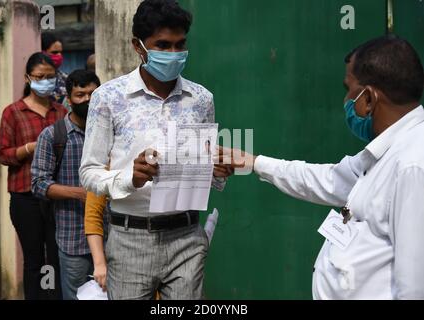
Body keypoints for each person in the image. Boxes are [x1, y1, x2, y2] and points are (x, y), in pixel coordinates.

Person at [218, 35, 424, 299]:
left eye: (348, 89)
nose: (346, 101)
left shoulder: (412, 165)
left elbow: (414, 287)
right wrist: (254, 162)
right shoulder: (385, 154)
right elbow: (326, 179)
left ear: (369, 99)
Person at [79, 0, 227, 300]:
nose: (173, 54)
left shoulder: (201, 99)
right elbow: (89, 173)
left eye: (180, 44)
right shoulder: (108, 98)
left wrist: (218, 170)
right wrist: (129, 178)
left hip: (187, 236)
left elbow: (204, 170)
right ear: (138, 46)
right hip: (129, 238)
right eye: (162, 45)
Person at [0, 52, 67, 300]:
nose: (45, 81)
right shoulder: (13, 112)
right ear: (28, 78)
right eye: (40, 77)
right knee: (33, 260)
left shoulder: (61, 112)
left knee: (58, 257)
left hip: (56, 195)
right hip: (25, 196)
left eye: (50, 77)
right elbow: (3, 154)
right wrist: (29, 148)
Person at [31, 70, 101, 300]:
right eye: (81, 94)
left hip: (113, 237)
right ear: (69, 100)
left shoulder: (111, 133)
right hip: (74, 238)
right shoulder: (53, 136)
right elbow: (39, 184)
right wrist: (80, 194)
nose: (88, 99)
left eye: (93, 93)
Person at [42, 32, 68, 104]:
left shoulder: (65, 78)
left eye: (60, 52)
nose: (59, 56)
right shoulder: (35, 79)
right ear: (42, 52)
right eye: (54, 52)